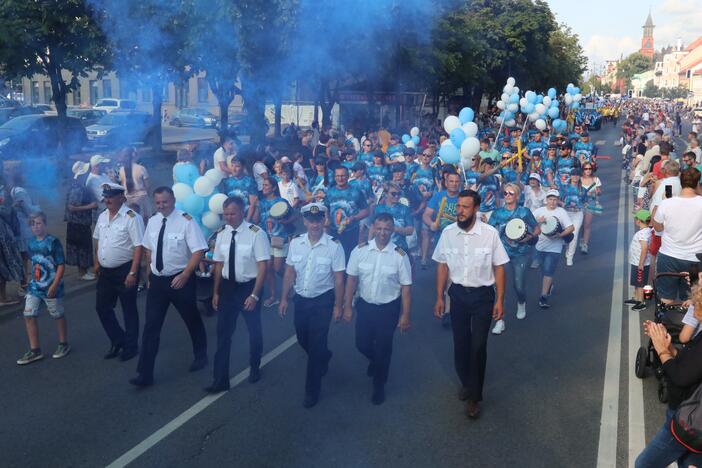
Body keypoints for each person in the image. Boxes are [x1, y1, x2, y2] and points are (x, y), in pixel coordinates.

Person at [432, 189, 508, 419]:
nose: (460, 211)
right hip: (457, 296)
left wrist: (500, 300)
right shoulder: (448, 233)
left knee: (478, 348)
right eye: (459, 207)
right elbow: (442, 265)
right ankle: (466, 382)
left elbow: (500, 266)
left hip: (483, 296)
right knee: (460, 345)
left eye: (465, 207)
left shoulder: (490, 234)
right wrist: (439, 297)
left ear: (476, 208)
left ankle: (475, 396)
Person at [129, 187, 209, 388]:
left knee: (191, 319)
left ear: (172, 200)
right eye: (158, 203)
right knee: (151, 327)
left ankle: (201, 355)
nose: (161, 206)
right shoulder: (154, 221)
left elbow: (199, 250)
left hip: (180, 279)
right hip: (158, 281)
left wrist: (185, 274)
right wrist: (149, 274)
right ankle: (144, 374)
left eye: (165, 202)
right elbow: (149, 249)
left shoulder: (186, 221)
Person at [279, 203, 345, 408]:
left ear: (324, 220)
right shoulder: (296, 243)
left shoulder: (334, 246)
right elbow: (289, 272)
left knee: (315, 347)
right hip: (301, 299)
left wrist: (338, 305)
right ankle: (324, 355)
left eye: (318, 220)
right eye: (311, 220)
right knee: (302, 338)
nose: (315, 224)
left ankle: (312, 391)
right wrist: (283, 298)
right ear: (305, 221)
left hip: (322, 301)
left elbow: (339, 279)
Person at [343, 213, 411, 405]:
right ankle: (375, 360)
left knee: (383, 349)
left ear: (392, 230)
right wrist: (347, 306)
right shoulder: (360, 251)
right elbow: (351, 280)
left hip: (388, 309)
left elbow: (406, 288)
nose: (382, 233)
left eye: (387, 229)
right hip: (365, 306)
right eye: (379, 228)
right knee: (361, 344)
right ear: (373, 228)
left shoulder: (399, 255)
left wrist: (405, 315)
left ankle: (379, 385)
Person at [205, 196, 270, 393]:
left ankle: (255, 365)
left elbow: (263, 267)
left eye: (232, 213)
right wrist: (216, 292)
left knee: (253, 329)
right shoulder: (222, 233)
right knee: (223, 335)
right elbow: (218, 264)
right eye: (225, 214)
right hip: (227, 288)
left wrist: (255, 295)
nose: (229, 217)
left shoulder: (256, 234)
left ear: (243, 212)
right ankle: (220, 379)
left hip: (248, 288)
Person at [635, 286, 702, 467]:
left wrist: (661, 349)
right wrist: (669, 346)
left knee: (644, 464)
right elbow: (691, 364)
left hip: (688, 419)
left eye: (697, 301)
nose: (692, 304)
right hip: (692, 418)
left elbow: (681, 376)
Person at [93, 183, 145, 361]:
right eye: (105, 197)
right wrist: (97, 262)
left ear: (121, 198)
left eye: (111, 196)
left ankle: (131, 346)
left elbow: (139, 246)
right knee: (102, 308)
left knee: (128, 309)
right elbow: (98, 240)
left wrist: (133, 272)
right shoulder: (102, 217)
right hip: (106, 272)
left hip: (125, 270)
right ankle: (118, 340)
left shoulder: (132, 217)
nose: (107, 200)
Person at [16, 212, 69, 365]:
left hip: (52, 286)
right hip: (35, 286)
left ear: (45, 224)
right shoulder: (30, 243)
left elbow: (60, 264)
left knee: (57, 314)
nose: (36, 227)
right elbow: (34, 263)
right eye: (32, 224)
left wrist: (54, 284)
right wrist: (28, 281)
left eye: (39, 223)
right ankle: (35, 350)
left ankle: (63, 343)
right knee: (28, 314)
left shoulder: (53, 242)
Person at [488, 183, 540, 333]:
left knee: (519, 286)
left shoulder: (524, 212)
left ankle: (521, 302)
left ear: (517, 195)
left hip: (521, 253)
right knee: (499, 288)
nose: (508, 196)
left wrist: (530, 236)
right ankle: (499, 321)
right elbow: (491, 232)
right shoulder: (497, 213)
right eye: (505, 193)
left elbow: (537, 228)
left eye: (511, 193)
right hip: (502, 255)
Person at [652, 168, 702, 303]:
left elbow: (657, 226)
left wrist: (661, 203)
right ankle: (691, 323)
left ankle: (662, 322)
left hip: (669, 256)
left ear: (681, 183)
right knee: (693, 299)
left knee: (666, 298)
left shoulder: (667, 203)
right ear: (698, 183)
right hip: (695, 259)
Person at [533, 189, 575, 309]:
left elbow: (571, 228)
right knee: (543, 270)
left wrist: (560, 235)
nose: (552, 202)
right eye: (550, 199)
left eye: (555, 199)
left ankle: (543, 297)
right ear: (546, 200)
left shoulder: (561, 212)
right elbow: (529, 223)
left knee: (548, 271)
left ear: (558, 200)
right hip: (540, 245)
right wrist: (537, 221)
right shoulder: (539, 211)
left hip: (554, 247)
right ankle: (549, 285)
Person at [258, 179, 295, 308]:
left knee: (278, 267)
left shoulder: (281, 202)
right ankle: (273, 296)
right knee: (268, 267)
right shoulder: (260, 203)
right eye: (263, 184)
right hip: (265, 239)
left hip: (280, 238)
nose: (263, 187)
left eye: (266, 184)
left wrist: (285, 222)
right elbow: (257, 220)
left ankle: (292, 279)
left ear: (274, 188)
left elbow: (294, 216)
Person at [325, 166, 370, 259]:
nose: (340, 178)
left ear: (348, 176)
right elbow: (326, 209)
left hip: (351, 232)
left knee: (349, 258)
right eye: (337, 176)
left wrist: (354, 218)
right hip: (334, 232)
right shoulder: (330, 192)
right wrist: (327, 220)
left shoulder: (356, 191)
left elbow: (366, 211)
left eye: (343, 176)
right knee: (334, 257)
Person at [65, 162, 97, 280]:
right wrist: (91, 206)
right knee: (82, 248)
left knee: (81, 247)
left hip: (77, 223)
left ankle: (84, 270)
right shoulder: (79, 188)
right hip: (79, 223)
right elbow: (72, 207)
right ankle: (82, 273)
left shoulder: (75, 186)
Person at [625, 209, 652, 310]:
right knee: (637, 282)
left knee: (640, 283)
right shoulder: (648, 231)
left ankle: (641, 302)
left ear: (638, 221)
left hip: (640, 263)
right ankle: (636, 298)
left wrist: (641, 263)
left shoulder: (642, 234)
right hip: (637, 262)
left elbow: (644, 248)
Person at [118, 147, 152, 221]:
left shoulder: (121, 170)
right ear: (133, 156)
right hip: (141, 199)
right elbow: (148, 186)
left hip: (128, 201)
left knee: (132, 219)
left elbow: (121, 186)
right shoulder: (141, 168)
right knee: (144, 220)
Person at [579, 162, 602, 254]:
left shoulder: (596, 179)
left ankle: (585, 244)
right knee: (580, 224)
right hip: (580, 203)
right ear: (583, 170)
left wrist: (597, 192)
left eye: (589, 169)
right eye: (586, 169)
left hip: (590, 203)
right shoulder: (579, 179)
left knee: (587, 224)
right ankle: (582, 238)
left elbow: (599, 192)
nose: (588, 170)